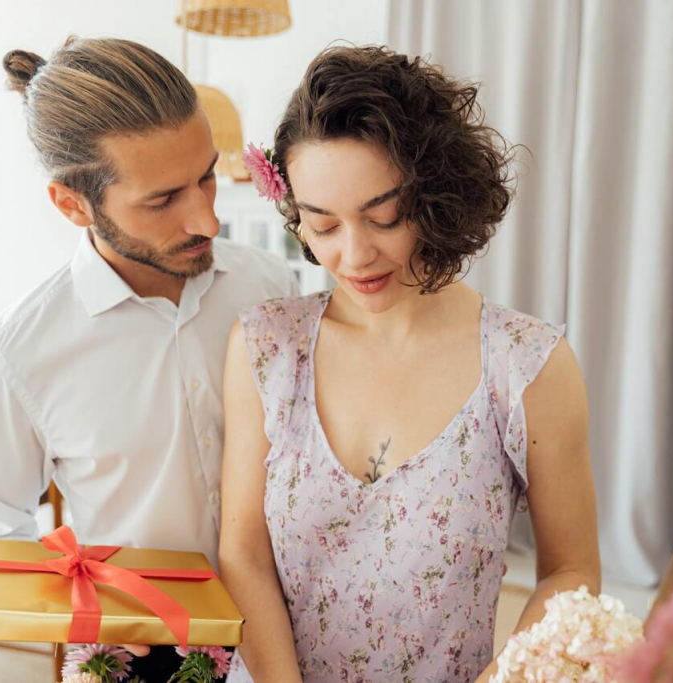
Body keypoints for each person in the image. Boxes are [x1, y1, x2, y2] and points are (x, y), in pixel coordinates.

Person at [218, 45, 601, 682]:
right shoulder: (265, 348)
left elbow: (571, 572)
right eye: (323, 225)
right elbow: (244, 552)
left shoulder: (527, 365)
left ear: (438, 194)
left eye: (384, 216)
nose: (354, 254)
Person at [0, 36, 298, 680]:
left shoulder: (269, 287)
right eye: (163, 199)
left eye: (206, 177)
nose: (206, 219)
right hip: (150, 659)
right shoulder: (15, 356)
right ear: (72, 204)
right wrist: (95, 613)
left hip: (300, 634)